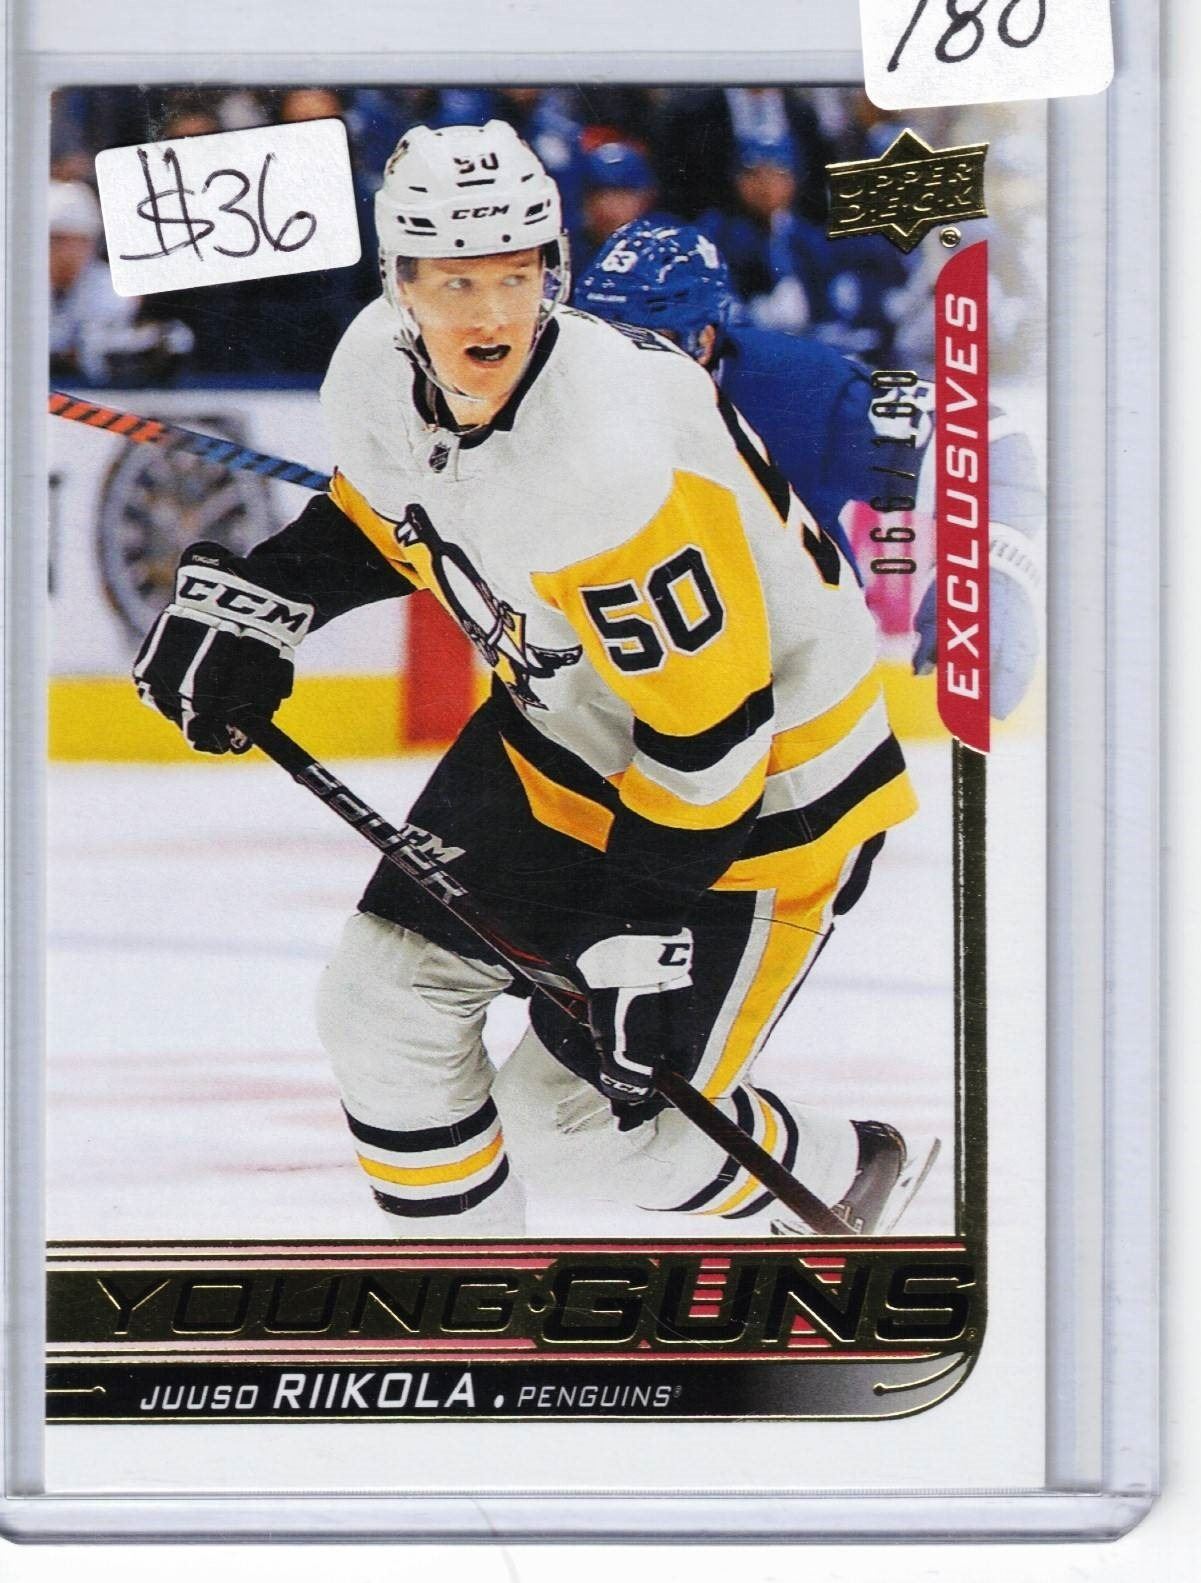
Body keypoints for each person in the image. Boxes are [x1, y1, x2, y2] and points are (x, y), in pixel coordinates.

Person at [133, 122, 936, 1238]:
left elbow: (711, 734)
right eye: (456, 280)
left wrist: (643, 934)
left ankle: (846, 1167)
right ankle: (465, 1296)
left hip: (769, 789)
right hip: (572, 730)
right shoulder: (376, 367)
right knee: (382, 1010)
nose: (491, 314)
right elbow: (398, 512)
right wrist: (265, 602)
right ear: (398, 280)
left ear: (553, 271)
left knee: (581, 1129)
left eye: (517, 276)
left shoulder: (607, 457)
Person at [574, 220, 1042, 720]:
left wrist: (989, 570)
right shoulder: (547, 400)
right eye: (594, 341)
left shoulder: (799, 394)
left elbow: (985, 441)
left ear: (704, 340)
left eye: (641, 342)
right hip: (625, 708)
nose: (612, 369)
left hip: (796, 708)